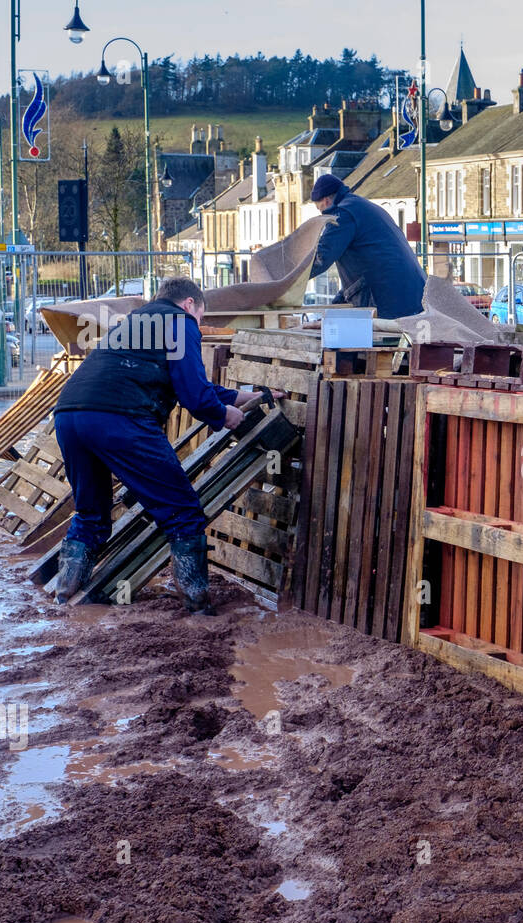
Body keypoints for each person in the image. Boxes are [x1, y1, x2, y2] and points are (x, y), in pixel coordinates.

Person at [52, 277, 281, 612]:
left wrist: (254, 396)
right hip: (120, 419)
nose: (198, 324)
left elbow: (195, 386)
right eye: (201, 317)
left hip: (70, 416)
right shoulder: (181, 322)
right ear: (190, 304)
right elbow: (195, 396)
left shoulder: (136, 323)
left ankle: (65, 600)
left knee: (90, 512)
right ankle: (198, 608)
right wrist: (223, 416)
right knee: (183, 513)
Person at [308, 173, 426, 319]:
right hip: (414, 294)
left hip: (387, 298)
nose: (321, 213)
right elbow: (367, 266)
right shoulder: (362, 206)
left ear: (325, 201)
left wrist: (289, 281)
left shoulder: (342, 215)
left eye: (319, 208)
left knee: (374, 340)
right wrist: (341, 298)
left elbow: (321, 258)